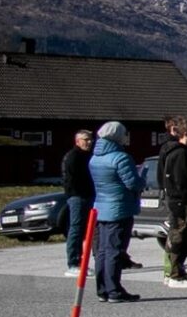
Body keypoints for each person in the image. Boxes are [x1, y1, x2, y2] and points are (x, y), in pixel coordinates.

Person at [86, 122, 142, 302]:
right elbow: (133, 183)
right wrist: (142, 179)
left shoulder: (95, 158)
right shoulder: (121, 158)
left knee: (102, 251)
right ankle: (114, 290)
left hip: (100, 207)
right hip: (119, 208)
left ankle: (102, 288)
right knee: (115, 251)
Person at [157, 115, 187, 287]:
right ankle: (174, 274)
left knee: (179, 235)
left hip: (176, 199)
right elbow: (181, 180)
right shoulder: (180, 153)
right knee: (179, 236)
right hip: (181, 201)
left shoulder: (175, 151)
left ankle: (176, 270)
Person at [60, 129, 95, 274]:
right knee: (76, 228)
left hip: (88, 196)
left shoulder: (89, 156)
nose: (89, 142)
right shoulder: (73, 157)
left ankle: (83, 261)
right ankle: (73, 263)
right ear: (77, 141)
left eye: (90, 139)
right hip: (77, 196)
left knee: (87, 230)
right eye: (85, 139)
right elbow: (72, 179)